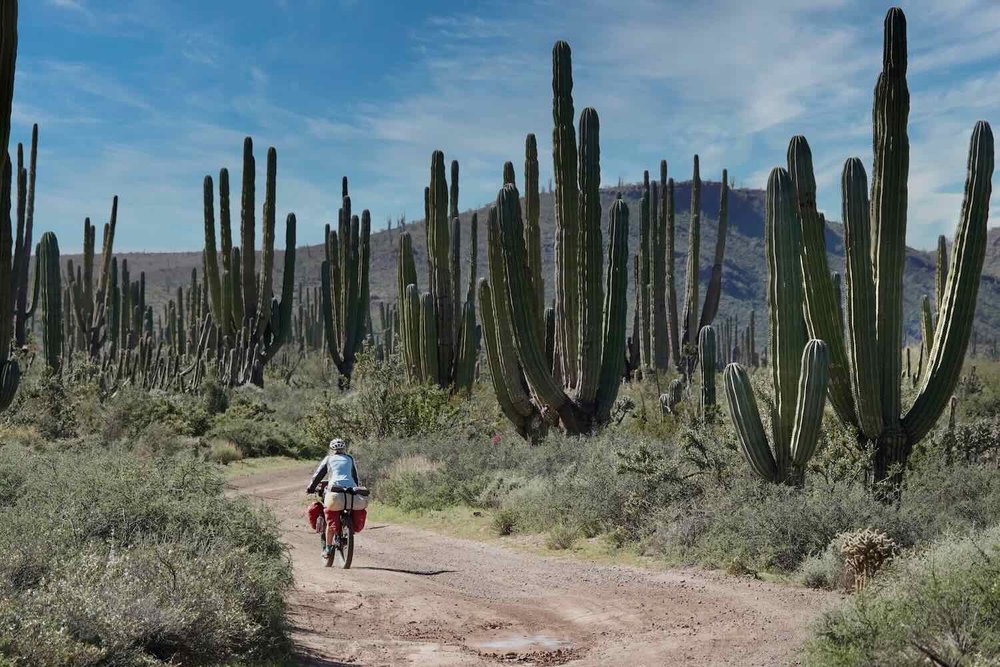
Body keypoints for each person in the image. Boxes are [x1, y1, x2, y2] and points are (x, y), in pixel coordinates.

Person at [306, 438, 365, 556]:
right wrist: (356, 488)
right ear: (344, 449)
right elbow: (355, 476)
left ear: (331, 449)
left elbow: (318, 475)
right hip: (351, 490)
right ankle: (348, 526)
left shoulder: (329, 459)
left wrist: (310, 488)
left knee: (330, 518)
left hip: (334, 490)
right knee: (350, 506)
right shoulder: (350, 458)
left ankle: (328, 549)